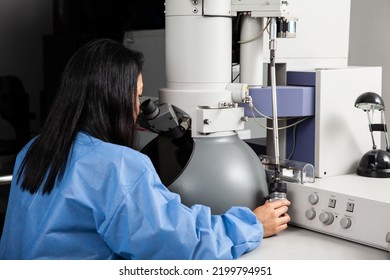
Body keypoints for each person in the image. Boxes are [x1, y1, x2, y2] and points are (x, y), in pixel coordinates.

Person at [0, 38, 290, 260]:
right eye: (136, 96)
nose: (139, 108)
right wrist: (252, 224)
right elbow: (180, 245)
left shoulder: (34, 149)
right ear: (114, 100)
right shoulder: (118, 166)